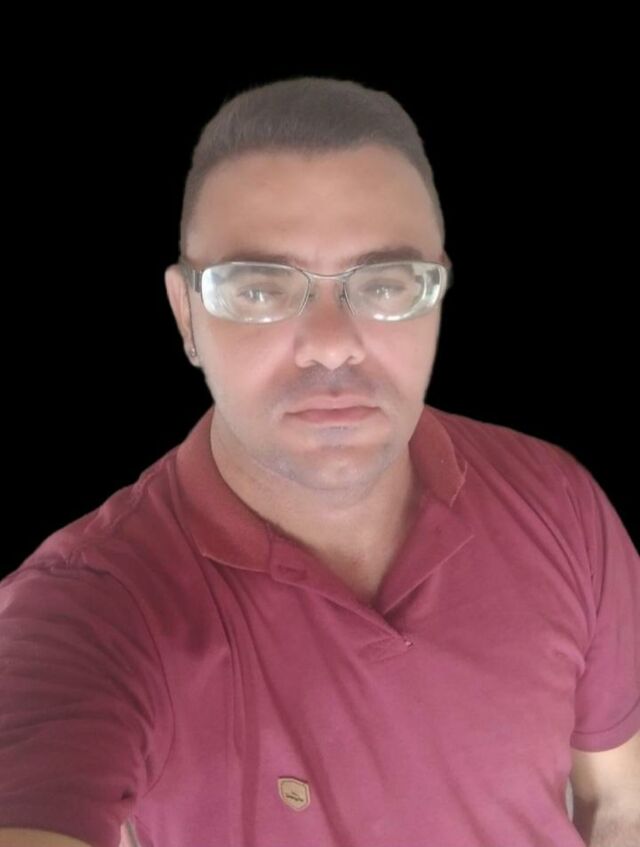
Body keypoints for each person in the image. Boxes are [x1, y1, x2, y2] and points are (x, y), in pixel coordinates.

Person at [0, 75, 638, 847]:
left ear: (437, 296)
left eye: (387, 284)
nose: (332, 344)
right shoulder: (89, 608)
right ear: (186, 316)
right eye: (258, 291)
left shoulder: (559, 501)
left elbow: (618, 801)